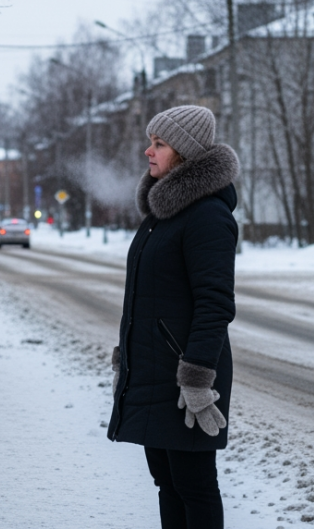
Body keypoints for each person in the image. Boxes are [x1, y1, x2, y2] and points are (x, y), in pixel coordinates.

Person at [108, 105, 239, 529]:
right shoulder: (161, 215)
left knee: (194, 485)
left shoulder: (207, 216)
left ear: (183, 152)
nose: (148, 151)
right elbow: (147, 297)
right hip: (154, 371)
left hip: (187, 379)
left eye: (159, 144)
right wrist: (124, 357)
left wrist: (198, 378)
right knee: (166, 482)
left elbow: (215, 303)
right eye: (151, 142)